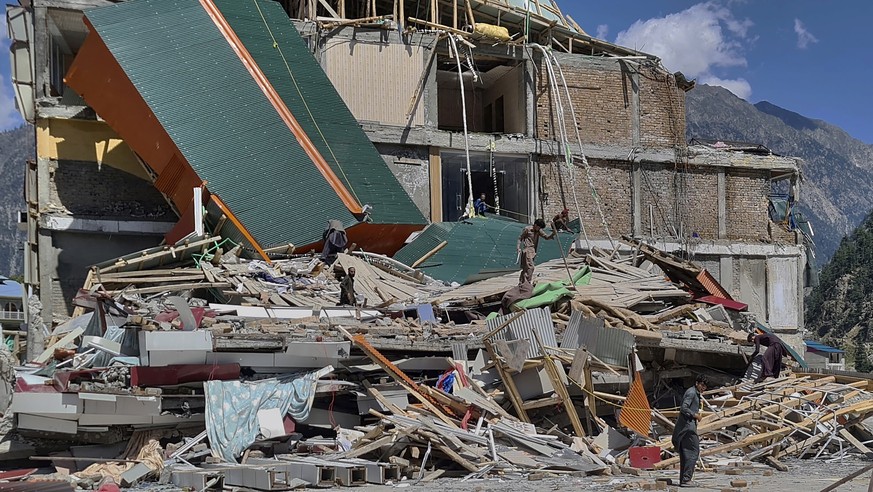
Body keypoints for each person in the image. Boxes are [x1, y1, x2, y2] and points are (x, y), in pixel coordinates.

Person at [672, 375, 707, 487]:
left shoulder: (694, 393)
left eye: (705, 386)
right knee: (693, 452)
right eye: (702, 385)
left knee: (686, 453)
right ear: (697, 383)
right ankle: (686, 480)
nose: (703, 388)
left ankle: (684, 480)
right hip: (688, 428)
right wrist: (695, 415)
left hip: (685, 428)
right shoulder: (691, 393)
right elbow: (684, 408)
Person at [517, 218, 556, 285]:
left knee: (526, 268)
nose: (539, 229)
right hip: (527, 250)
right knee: (531, 267)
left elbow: (546, 237)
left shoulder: (538, 231)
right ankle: (527, 283)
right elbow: (520, 238)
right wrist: (518, 247)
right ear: (535, 225)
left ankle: (521, 283)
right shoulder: (527, 229)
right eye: (539, 227)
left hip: (533, 251)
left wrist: (553, 234)